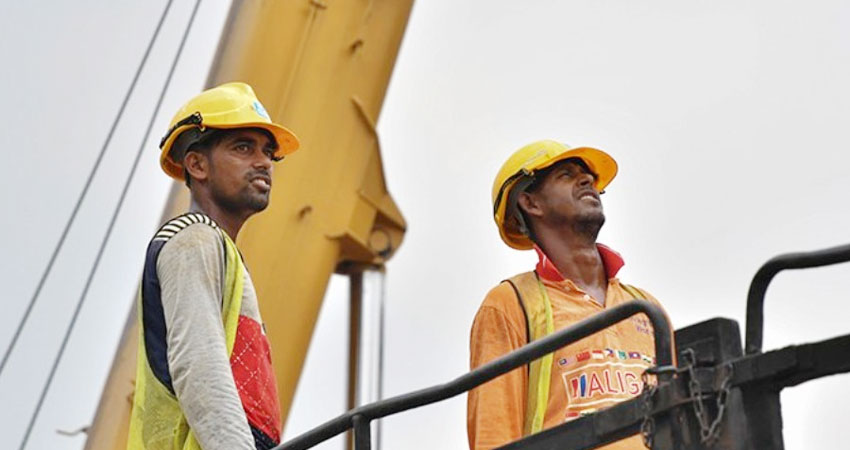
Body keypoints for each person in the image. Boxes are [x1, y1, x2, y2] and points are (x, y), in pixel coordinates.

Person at [127, 82, 300, 450]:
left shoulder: (221, 252)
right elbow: (200, 368)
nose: (263, 162)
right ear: (197, 164)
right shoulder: (193, 240)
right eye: (243, 147)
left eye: (269, 152)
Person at [467, 140, 669, 450]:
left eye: (588, 175)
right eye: (567, 174)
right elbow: (494, 434)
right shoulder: (511, 304)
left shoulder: (646, 308)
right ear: (530, 203)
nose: (587, 179)